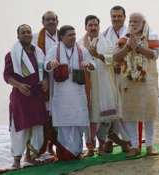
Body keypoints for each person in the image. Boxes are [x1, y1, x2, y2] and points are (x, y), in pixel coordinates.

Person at [45, 25, 95, 160]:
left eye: (74, 34)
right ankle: (65, 153)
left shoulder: (81, 49)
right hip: (61, 97)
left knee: (79, 124)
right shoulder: (54, 50)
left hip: (78, 95)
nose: (73, 37)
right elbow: (46, 65)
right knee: (64, 126)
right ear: (61, 37)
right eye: (70, 35)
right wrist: (51, 64)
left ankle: (77, 151)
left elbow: (92, 63)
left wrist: (88, 65)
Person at [113, 13, 159, 157]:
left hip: (147, 79)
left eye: (136, 21)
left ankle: (150, 145)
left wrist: (138, 47)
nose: (133, 24)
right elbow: (115, 57)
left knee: (149, 113)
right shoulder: (124, 38)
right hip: (128, 80)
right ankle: (134, 146)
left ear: (143, 22)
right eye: (131, 21)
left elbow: (155, 55)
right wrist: (128, 47)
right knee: (130, 114)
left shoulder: (152, 35)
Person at [3, 24, 47, 168]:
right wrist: (19, 85)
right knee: (20, 127)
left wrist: (45, 80)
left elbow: (44, 71)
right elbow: (7, 76)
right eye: (23, 32)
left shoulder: (38, 53)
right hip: (21, 97)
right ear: (18, 36)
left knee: (37, 126)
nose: (27, 34)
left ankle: (30, 157)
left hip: (36, 95)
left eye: (28, 32)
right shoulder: (11, 54)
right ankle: (16, 161)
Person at [79, 15, 123, 156]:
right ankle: (90, 147)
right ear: (85, 27)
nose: (93, 27)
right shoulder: (80, 43)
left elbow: (111, 60)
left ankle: (102, 144)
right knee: (89, 118)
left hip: (104, 84)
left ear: (99, 26)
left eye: (95, 25)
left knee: (105, 118)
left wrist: (97, 55)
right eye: (90, 25)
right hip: (87, 86)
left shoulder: (107, 42)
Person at [102, 5, 130, 153]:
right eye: (114, 16)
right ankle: (109, 139)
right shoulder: (105, 33)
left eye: (119, 16)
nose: (116, 19)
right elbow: (103, 54)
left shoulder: (131, 32)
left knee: (125, 109)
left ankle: (127, 140)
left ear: (124, 17)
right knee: (112, 108)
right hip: (111, 76)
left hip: (128, 76)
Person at [33, 10, 59, 155]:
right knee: (45, 114)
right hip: (44, 81)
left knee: (58, 114)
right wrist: (42, 78)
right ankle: (44, 146)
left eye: (53, 19)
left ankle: (54, 145)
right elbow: (34, 62)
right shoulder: (36, 38)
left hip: (61, 82)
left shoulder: (63, 37)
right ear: (43, 22)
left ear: (57, 21)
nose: (50, 22)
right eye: (47, 20)